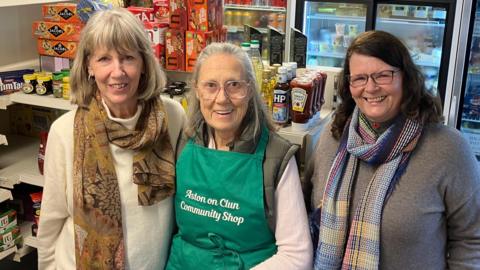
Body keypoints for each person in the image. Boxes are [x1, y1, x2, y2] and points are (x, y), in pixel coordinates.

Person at [304, 30, 480, 269]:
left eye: (383, 75)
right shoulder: (332, 137)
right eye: (359, 78)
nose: (371, 88)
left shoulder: (448, 149)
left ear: (406, 78)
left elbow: (472, 240)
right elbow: (305, 212)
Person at [37, 8, 186, 269]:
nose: (117, 72)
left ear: (143, 64)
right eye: (104, 59)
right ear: (89, 66)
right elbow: (51, 221)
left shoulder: (171, 118)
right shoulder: (64, 132)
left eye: (127, 58)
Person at [165, 42, 312, 269]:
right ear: (196, 90)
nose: (222, 98)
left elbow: (297, 255)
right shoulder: (182, 142)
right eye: (211, 86)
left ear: (250, 89)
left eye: (234, 85)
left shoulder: (276, 156)